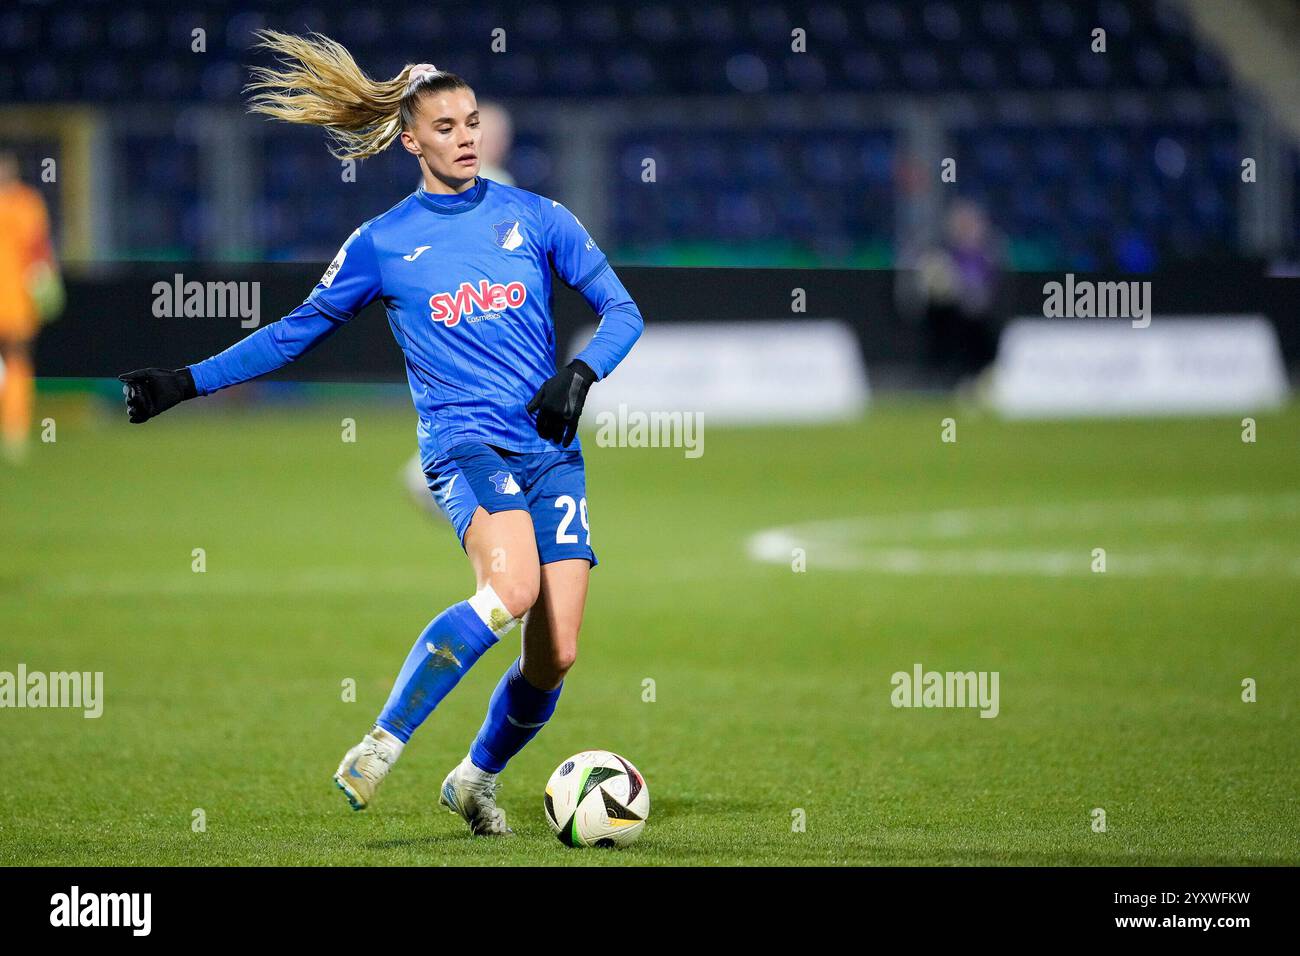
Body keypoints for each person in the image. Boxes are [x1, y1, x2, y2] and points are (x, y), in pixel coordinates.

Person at [118, 31, 644, 836]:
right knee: (511, 591)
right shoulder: (384, 242)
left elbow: (623, 310)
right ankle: (382, 741)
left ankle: (473, 779)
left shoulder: (536, 217)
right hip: (466, 446)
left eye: (472, 122)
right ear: (411, 141)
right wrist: (183, 383)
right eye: (446, 127)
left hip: (551, 455)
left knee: (556, 653)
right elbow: (294, 333)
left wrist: (582, 374)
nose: (465, 138)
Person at [0, 151, 62, 463]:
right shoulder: (27, 203)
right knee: (16, 359)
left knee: (17, 357)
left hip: (14, 296)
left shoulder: (27, 203)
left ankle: (14, 429)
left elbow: (38, 250)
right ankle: (14, 430)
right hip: (14, 296)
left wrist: (44, 285)